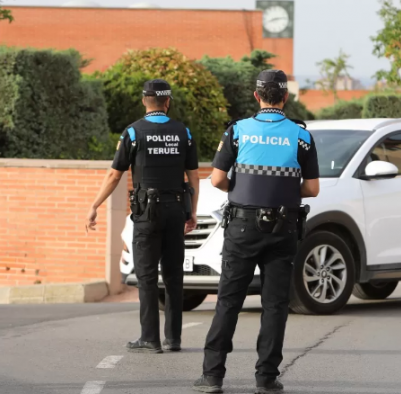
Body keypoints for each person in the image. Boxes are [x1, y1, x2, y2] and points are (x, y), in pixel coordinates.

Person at [193, 70, 320, 394]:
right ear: (286, 97)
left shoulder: (237, 131)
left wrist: (245, 189)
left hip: (242, 225)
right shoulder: (301, 135)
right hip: (283, 226)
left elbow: (218, 180)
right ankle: (266, 378)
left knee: (229, 301)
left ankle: (212, 376)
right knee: (275, 304)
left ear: (256, 96)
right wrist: (284, 190)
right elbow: (313, 188)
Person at [85, 79, 200, 354]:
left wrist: (95, 205)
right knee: (174, 276)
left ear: (143, 100)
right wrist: (192, 212)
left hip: (147, 212)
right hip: (175, 210)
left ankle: (150, 338)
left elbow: (115, 174)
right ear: (167, 101)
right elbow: (193, 176)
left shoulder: (133, 132)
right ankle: (173, 338)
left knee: (147, 276)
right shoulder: (183, 132)